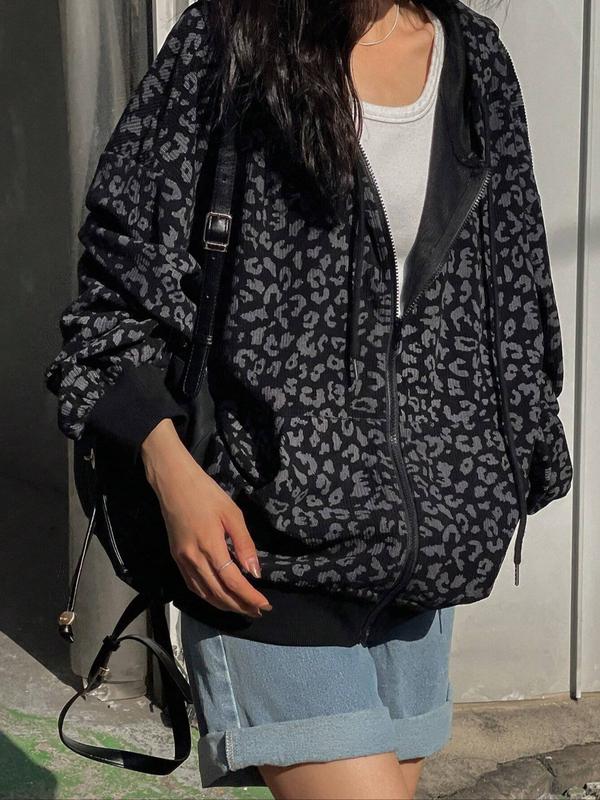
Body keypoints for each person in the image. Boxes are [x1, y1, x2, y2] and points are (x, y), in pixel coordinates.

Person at [44, 0, 573, 798]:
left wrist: (503, 479)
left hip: (424, 562)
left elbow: (517, 283)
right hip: (265, 552)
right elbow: (120, 280)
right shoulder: (228, 39)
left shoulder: (474, 58)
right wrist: (175, 476)